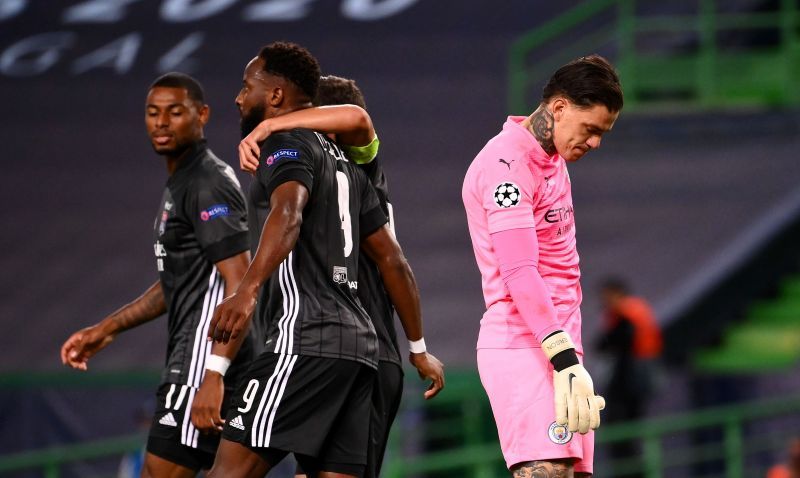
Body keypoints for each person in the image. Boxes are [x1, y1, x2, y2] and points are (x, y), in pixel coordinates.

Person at [205, 41, 444, 478]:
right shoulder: (357, 172)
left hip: (306, 338)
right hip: (364, 351)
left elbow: (288, 212)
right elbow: (393, 259)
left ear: (278, 97)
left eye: (246, 86)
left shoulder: (288, 141)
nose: (239, 97)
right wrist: (418, 348)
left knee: (228, 472)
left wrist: (247, 290)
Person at [60, 72, 254, 477]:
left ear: (201, 115)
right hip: (200, 361)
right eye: (153, 113)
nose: (162, 122)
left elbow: (240, 281)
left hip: (202, 363)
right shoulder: (183, 181)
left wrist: (213, 375)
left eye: (175, 112)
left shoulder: (206, 182)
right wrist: (107, 328)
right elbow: (181, 281)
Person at [462, 54, 623, 477]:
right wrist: (563, 358)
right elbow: (518, 270)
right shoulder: (507, 169)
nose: (595, 143)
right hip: (526, 345)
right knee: (545, 471)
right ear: (559, 108)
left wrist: (569, 356)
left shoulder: (550, 158)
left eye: (603, 134)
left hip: (560, 347)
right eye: (591, 130)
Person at [239, 74, 402, 478]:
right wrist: (417, 346)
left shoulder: (359, 165)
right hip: (367, 349)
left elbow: (356, 117)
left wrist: (271, 125)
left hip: (340, 341)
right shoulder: (343, 172)